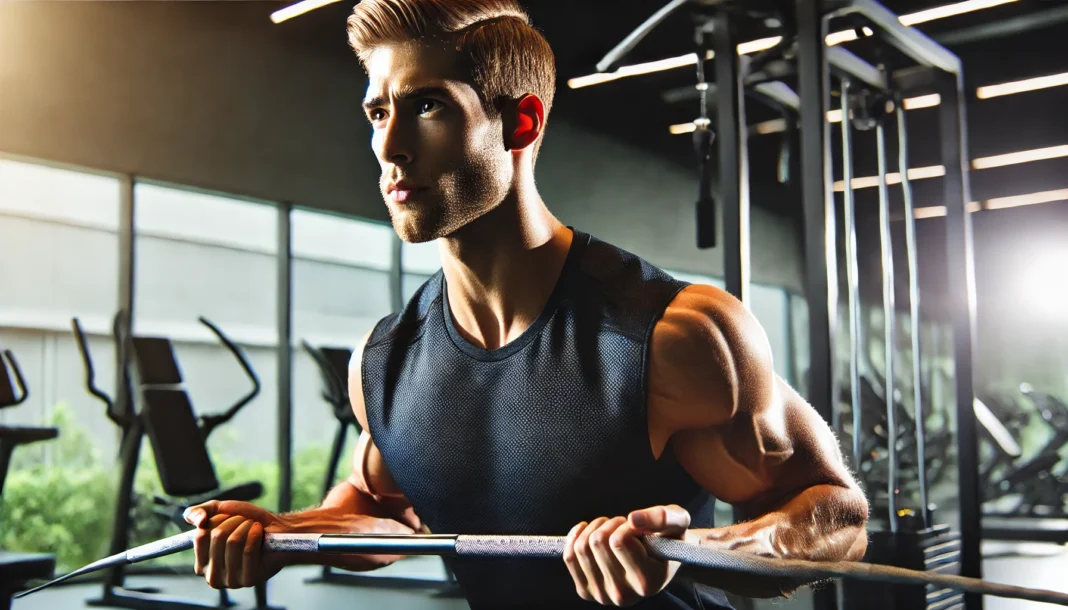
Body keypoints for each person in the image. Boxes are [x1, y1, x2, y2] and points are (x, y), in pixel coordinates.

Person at [182, 0, 869, 607]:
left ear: (520, 122)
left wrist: (688, 551)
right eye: (378, 111)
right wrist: (279, 533)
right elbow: (383, 514)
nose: (389, 147)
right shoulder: (386, 361)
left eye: (428, 106)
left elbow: (836, 515)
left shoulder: (669, 336)